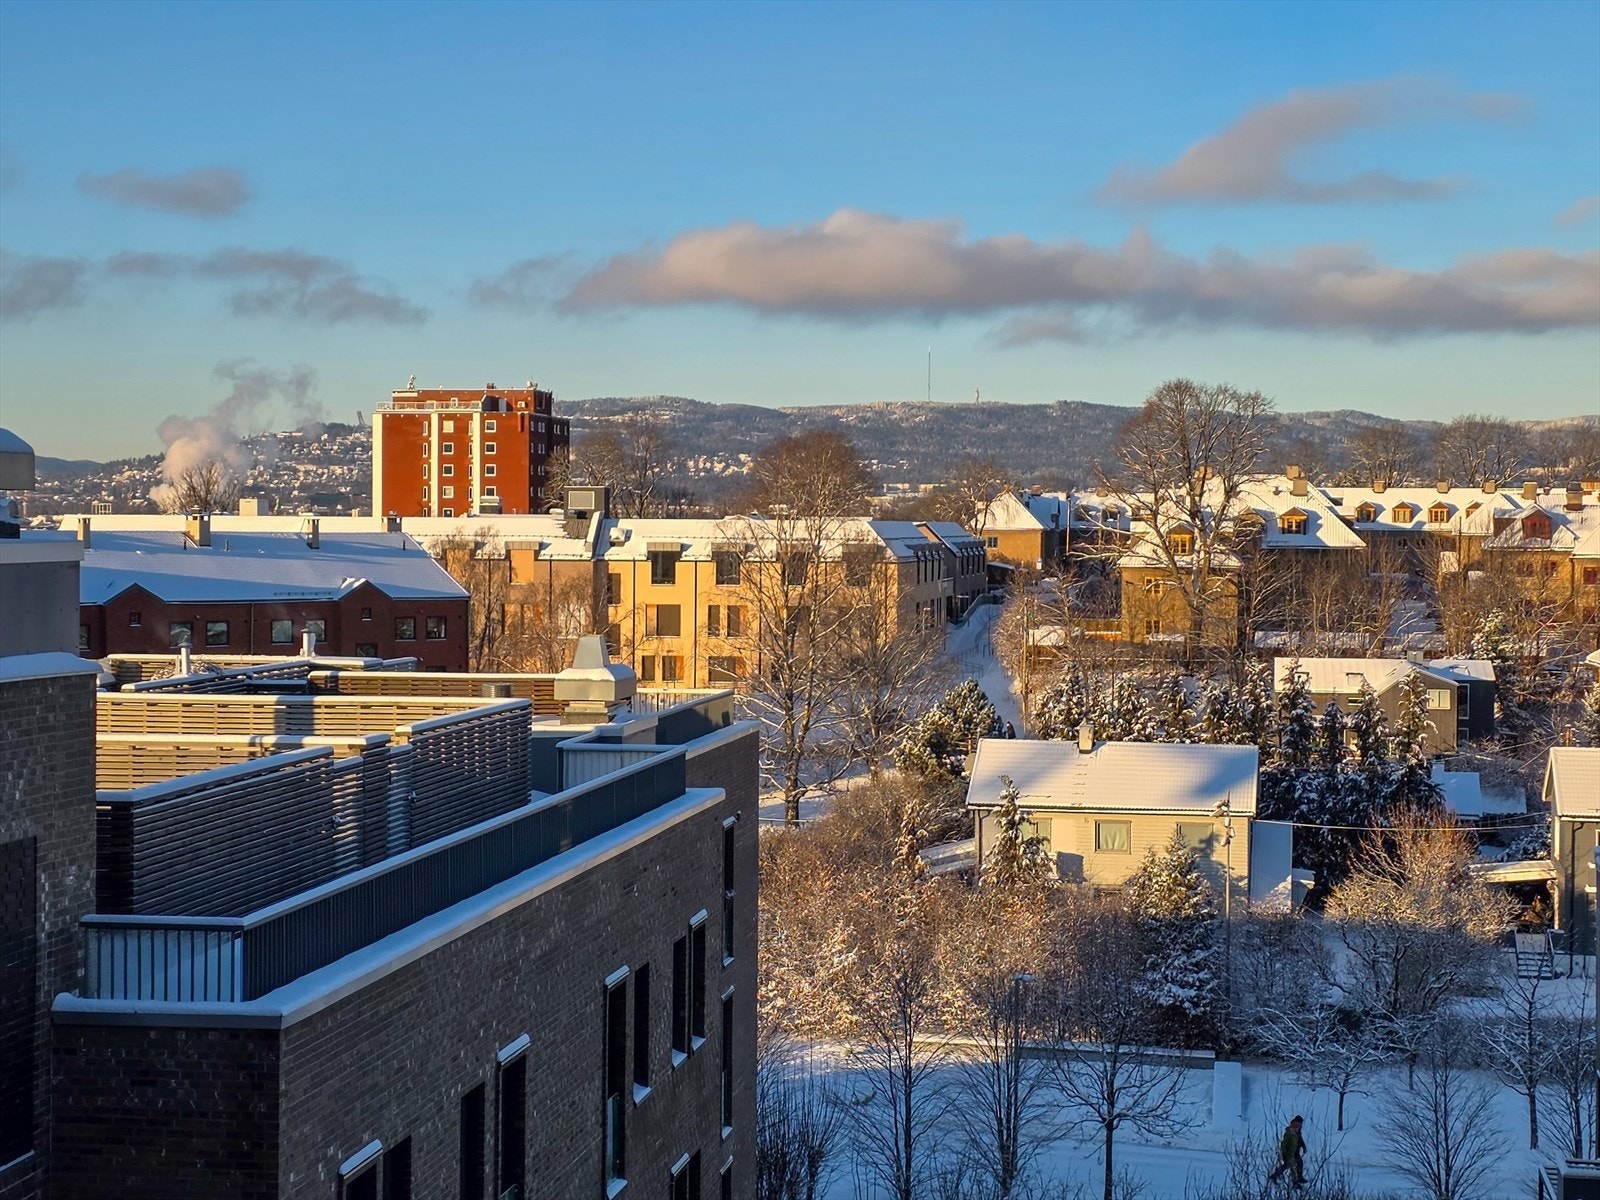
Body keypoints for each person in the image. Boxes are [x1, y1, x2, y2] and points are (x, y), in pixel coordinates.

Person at [1267, 1115, 1306, 1188]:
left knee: (1294, 1165)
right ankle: (1295, 1182)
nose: (1301, 1125)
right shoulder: (1289, 1132)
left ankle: (1275, 1176)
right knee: (1292, 1166)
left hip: (1294, 1152)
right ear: (1297, 1122)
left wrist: (1303, 1146)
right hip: (1288, 1153)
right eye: (1300, 1123)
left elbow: (1300, 1139)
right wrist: (1282, 1153)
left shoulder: (1297, 1130)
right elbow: (1284, 1143)